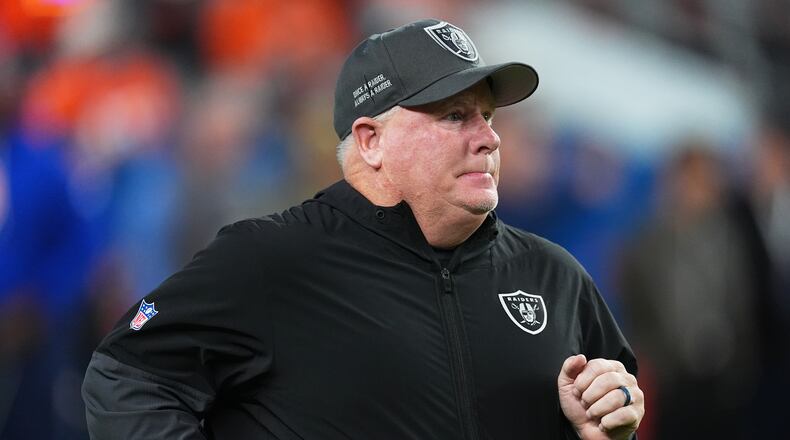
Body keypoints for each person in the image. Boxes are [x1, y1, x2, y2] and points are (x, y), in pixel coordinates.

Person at [82, 19, 644, 439]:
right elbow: (125, 377)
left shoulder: (553, 276)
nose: (488, 138)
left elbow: (614, 401)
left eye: (488, 116)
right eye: (454, 116)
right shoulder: (273, 258)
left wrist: (608, 422)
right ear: (372, 141)